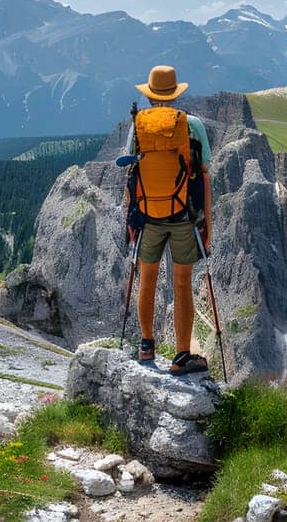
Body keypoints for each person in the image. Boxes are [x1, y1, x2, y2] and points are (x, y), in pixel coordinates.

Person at [126, 65, 212, 375]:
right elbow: (203, 177)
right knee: (182, 283)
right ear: (175, 94)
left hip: (148, 215)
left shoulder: (137, 126)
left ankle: (146, 346)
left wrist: (132, 220)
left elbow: (131, 175)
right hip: (183, 217)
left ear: (149, 96)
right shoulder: (193, 125)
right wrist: (206, 226)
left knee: (146, 278)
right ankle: (181, 356)